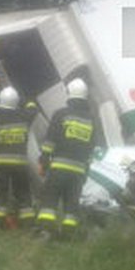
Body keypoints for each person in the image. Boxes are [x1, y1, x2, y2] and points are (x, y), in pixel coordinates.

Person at [37, 77, 99, 239]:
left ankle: (46, 231)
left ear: (69, 94)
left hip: (59, 168)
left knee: (50, 200)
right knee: (72, 205)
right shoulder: (92, 120)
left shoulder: (61, 114)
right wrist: (85, 171)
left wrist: (44, 161)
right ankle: (68, 235)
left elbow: (49, 142)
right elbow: (91, 149)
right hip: (78, 171)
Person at [0, 86, 35, 228]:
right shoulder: (24, 116)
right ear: (16, 102)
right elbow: (32, 108)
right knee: (23, 192)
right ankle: (28, 223)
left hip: (0, 163)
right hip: (20, 163)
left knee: (0, 193)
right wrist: (26, 100)